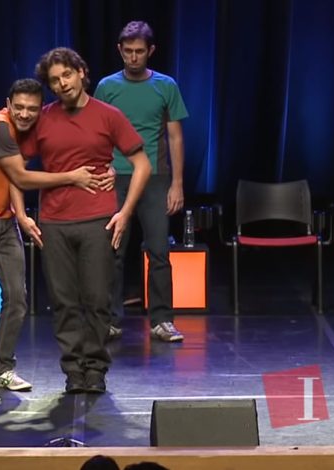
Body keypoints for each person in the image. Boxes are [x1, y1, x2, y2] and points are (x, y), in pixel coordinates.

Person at [0, 78, 114, 394]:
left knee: (17, 298)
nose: (24, 114)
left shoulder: (31, 131)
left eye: (32, 109)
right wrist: (72, 178)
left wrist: (108, 168)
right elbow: (20, 176)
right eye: (19, 107)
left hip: (3, 219)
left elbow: (74, 150)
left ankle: (2, 369)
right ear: (8, 104)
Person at [24, 47, 151, 394]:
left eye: (67, 75)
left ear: (81, 72)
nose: (62, 84)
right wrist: (22, 214)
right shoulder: (44, 118)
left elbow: (142, 164)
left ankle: (95, 368)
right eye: (54, 80)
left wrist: (125, 211)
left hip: (98, 219)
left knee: (96, 299)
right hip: (54, 222)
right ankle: (73, 370)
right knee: (63, 301)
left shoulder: (108, 115)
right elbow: (15, 169)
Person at [94, 20, 189, 343]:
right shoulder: (107, 87)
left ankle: (162, 320)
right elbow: (99, 133)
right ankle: (109, 320)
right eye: (128, 51)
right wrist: (102, 169)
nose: (133, 57)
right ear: (119, 50)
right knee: (113, 251)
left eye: (139, 52)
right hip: (116, 176)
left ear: (151, 51)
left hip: (155, 177)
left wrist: (177, 183)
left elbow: (175, 137)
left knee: (159, 250)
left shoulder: (166, 85)